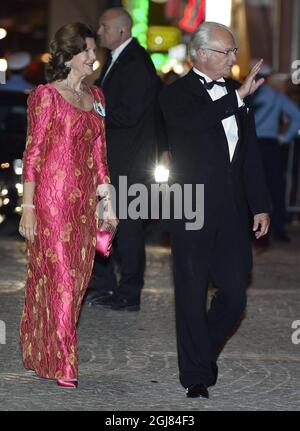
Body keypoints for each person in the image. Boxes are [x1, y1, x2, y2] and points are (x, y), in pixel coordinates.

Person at [159, 22, 270, 399]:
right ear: (202, 53)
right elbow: (192, 125)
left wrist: (260, 205)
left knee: (235, 294)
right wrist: (236, 97)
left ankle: (201, 352)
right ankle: (195, 376)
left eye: (234, 51)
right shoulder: (176, 95)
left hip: (232, 211)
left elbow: (249, 155)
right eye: (228, 52)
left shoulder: (236, 96)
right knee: (190, 293)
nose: (234, 58)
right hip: (189, 205)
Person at [19, 22, 117, 388]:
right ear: (70, 56)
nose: (94, 57)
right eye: (87, 51)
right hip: (51, 202)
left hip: (84, 206)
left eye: (94, 50)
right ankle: (64, 363)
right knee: (58, 279)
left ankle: (39, 349)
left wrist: (108, 201)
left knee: (75, 282)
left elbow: (100, 155)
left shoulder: (97, 98)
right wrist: (27, 207)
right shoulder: (46, 96)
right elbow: (32, 154)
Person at [85, 7, 161, 311]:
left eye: (103, 27)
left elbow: (129, 115)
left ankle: (129, 293)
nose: (99, 32)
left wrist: (91, 109)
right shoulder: (120, 59)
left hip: (128, 161)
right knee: (110, 223)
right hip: (118, 158)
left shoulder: (135, 64)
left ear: (121, 31)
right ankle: (107, 286)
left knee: (128, 229)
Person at [252, 63, 300, 242]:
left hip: (251, 146)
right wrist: (285, 138)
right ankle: (279, 227)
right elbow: (297, 116)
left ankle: (251, 228)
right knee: (276, 187)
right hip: (271, 145)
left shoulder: (248, 94)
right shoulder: (276, 96)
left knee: (250, 185)